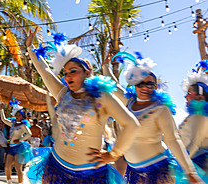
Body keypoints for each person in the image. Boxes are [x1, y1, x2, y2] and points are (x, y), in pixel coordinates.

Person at [25, 29, 140, 184]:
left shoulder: (102, 97)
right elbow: (44, 71)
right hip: (56, 167)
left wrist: (113, 154)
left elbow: (131, 124)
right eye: (65, 73)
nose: (68, 76)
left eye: (73, 71)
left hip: (90, 175)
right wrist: (30, 49)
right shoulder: (63, 93)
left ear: (86, 73)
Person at [109, 52, 202, 183]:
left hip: (158, 171)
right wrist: (105, 66)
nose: (145, 88)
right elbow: (113, 87)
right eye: (140, 83)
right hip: (134, 172)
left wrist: (189, 170)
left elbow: (173, 139)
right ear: (134, 84)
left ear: (156, 87)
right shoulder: (128, 103)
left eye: (150, 84)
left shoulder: (160, 109)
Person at [179, 60, 208, 178]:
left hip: (199, 168)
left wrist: (180, 165)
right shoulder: (195, 115)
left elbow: (194, 143)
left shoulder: (201, 115)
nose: (186, 96)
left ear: (200, 96)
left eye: (189, 92)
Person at [0, 98, 32, 184]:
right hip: (11, 148)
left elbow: (29, 134)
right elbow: (4, 120)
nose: (17, 116)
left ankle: (20, 183)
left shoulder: (23, 126)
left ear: (22, 117)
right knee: (7, 167)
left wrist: (20, 140)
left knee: (18, 168)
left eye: (19, 115)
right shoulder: (12, 123)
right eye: (16, 115)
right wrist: (2, 109)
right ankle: (9, 181)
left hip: (19, 148)